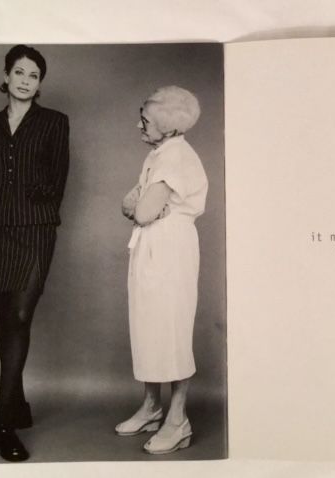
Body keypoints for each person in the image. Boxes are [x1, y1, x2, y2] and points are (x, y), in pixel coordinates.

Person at [0, 45, 69, 462]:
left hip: (35, 229)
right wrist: (9, 206)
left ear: (40, 82)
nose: (26, 80)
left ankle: (3, 422)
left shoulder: (55, 122)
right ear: (6, 76)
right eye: (19, 72)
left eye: (34, 75)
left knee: (19, 316)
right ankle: (18, 406)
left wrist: (34, 208)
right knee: (4, 320)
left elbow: (58, 179)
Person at [115, 86, 208, 454]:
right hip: (152, 246)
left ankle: (178, 420)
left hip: (170, 251)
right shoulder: (160, 154)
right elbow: (131, 204)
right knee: (148, 327)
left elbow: (139, 211)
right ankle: (152, 408)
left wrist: (141, 205)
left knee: (171, 330)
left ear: (169, 127)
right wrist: (141, 205)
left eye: (146, 121)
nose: (139, 125)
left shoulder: (176, 158)